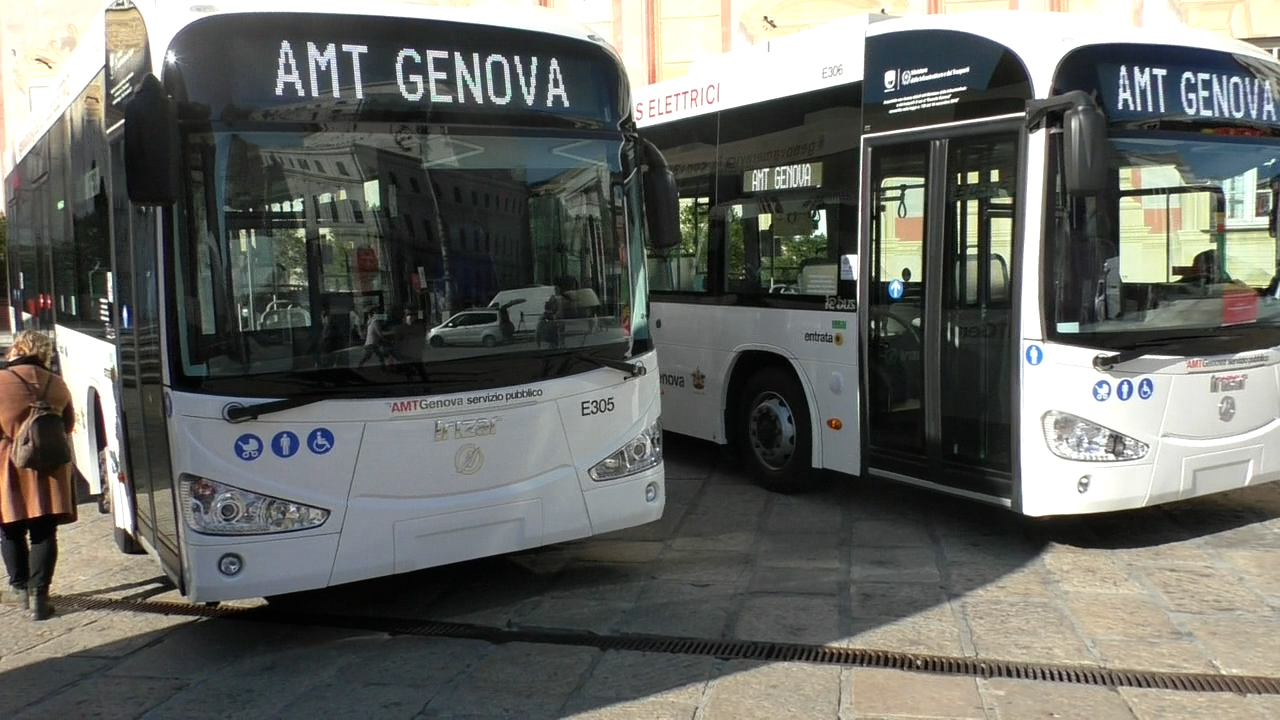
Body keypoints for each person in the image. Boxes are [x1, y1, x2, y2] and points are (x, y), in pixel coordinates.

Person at [0, 330, 76, 621]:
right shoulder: (57, 383)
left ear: (17, 348)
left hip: (9, 466)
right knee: (44, 534)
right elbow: (67, 425)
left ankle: (20, 589)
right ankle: (39, 599)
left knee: (10, 529)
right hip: (50, 468)